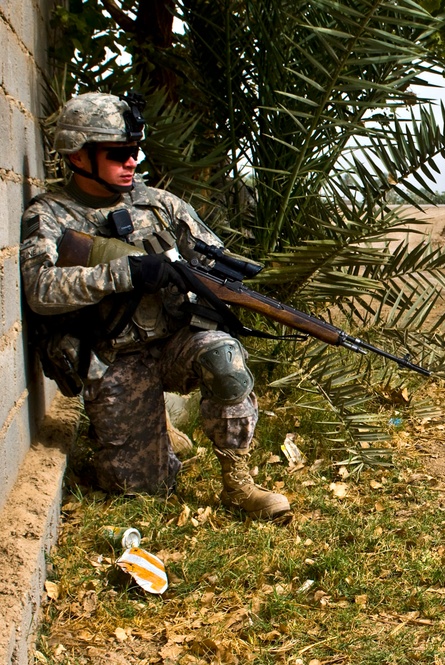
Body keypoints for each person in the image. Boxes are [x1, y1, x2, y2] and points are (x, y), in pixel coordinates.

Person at [19, 92, 291, 521]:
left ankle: (239, 485)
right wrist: (125, 272)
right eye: (118, 154)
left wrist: (205, 278)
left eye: (134, 152)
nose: (131, 162)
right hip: (113, 358)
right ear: (77, 156)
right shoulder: (51, 214)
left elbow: (213, 261)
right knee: (144, 488)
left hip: (173, 344)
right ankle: (153, 421)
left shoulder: (159, 205)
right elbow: (40, 289)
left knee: (223, 353)